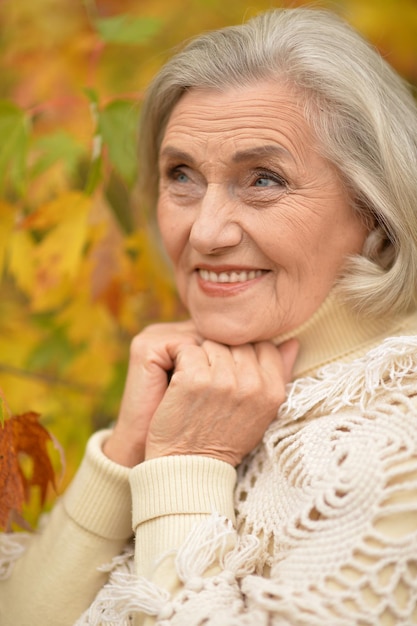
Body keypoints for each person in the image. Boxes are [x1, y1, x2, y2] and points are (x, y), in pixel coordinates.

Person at [1, 6, 417, 625]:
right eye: (182, 175)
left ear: (377, 209)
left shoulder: (392, 459)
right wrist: (124, 454)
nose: (205, 232)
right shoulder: (196, 391)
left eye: (264, 180)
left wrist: (185, 470)